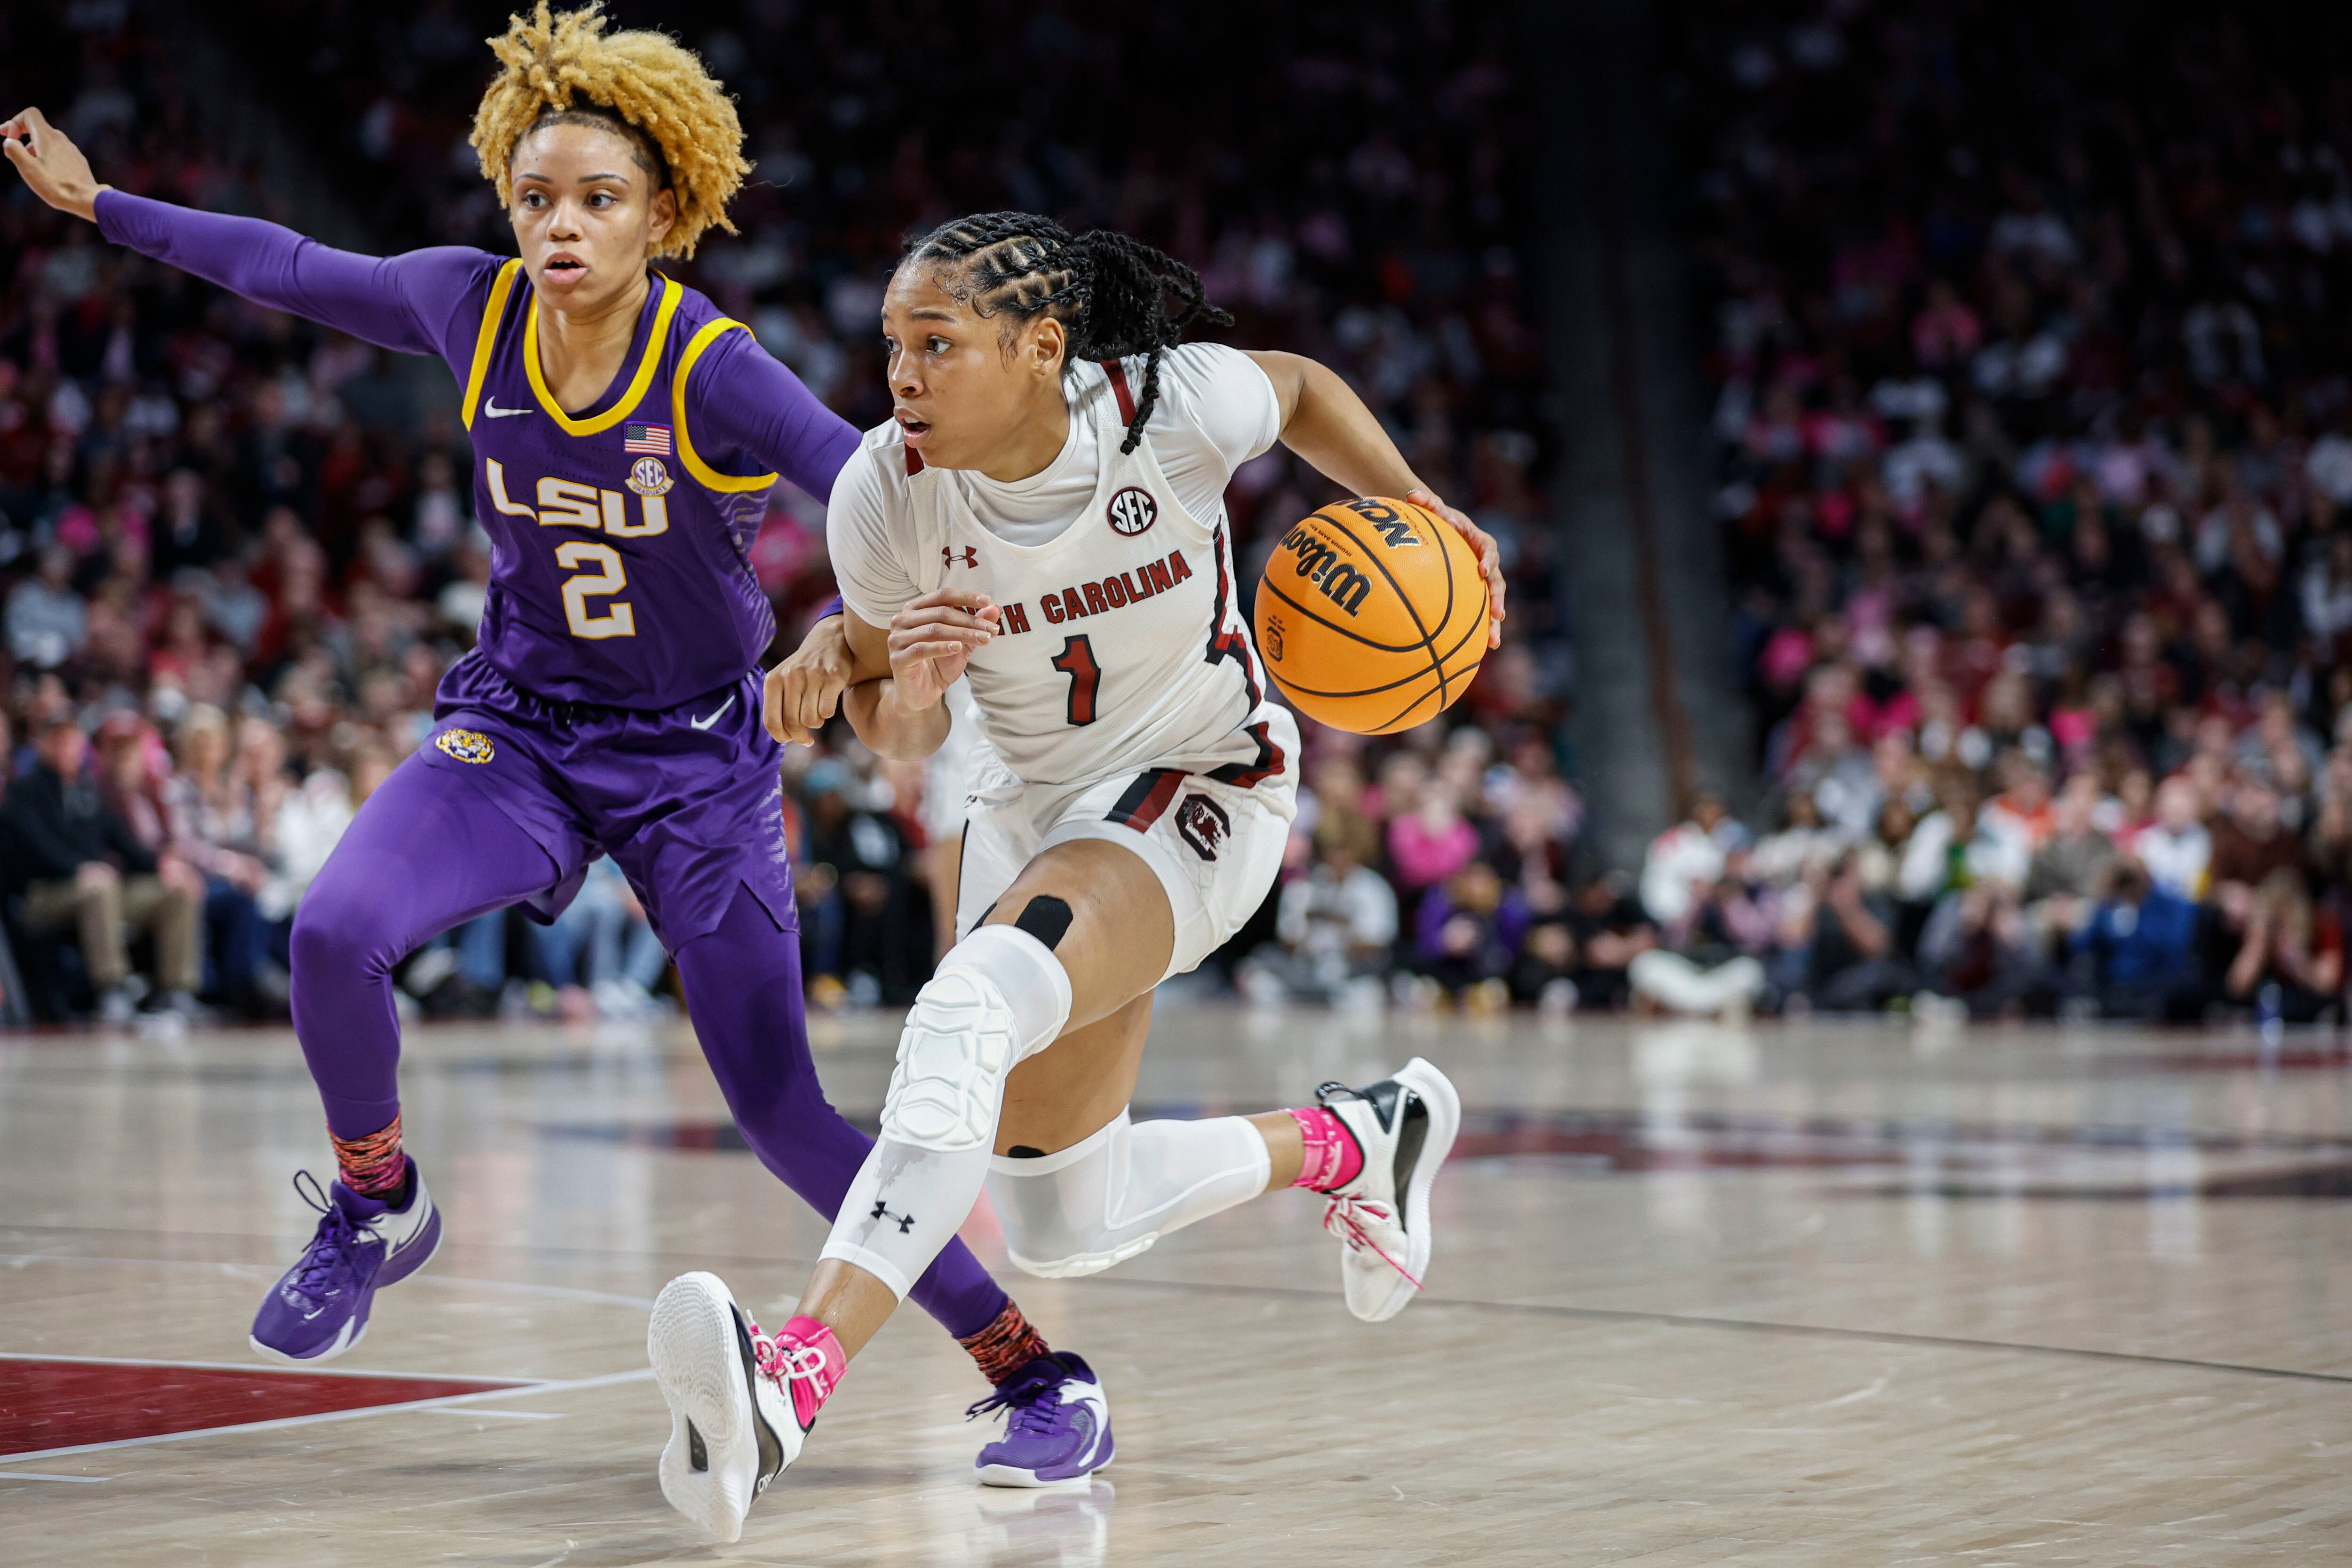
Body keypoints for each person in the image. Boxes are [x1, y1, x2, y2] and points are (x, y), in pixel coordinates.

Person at [1, 3, 1078, 1457]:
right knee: (333, 929)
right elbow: (288, 265)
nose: (560, 225)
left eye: (598, 199)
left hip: (697, 761)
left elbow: (866, 479)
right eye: (537, 197)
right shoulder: (472, 305)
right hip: (520, 733)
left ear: (663, 215)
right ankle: (377, 1197)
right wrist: (103, 205)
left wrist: (942, 593)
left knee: (779, 1109)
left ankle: (1031, 1371)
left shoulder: (710, 367)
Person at [646, 209, 1504, 1540]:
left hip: (1204, 782)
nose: (904, 375)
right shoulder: (886, 488)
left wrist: (1412, 506)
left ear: (1040, 347)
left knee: (967, 1011)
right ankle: (1358, 1137)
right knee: (1062, 1214)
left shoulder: (1168, 405)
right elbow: (902, 729)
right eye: (893, 347)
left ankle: (793, 1373)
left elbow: (1304, 387)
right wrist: (899, 687)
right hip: (1033, 808)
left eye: (937, 344)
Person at [0, 716, 203, 1020]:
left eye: (73, 741)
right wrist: (79, 869)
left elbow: (123, 841)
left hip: (97, 889)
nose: (68, 749)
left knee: (172, 893)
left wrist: (164, 866)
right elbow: (36, 847)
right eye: (59, 741)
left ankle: (178, 990)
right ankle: (113, 988)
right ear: (43, 745)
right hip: (42, 894)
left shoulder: (89, 790)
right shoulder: (24, 792)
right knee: (100, 886)